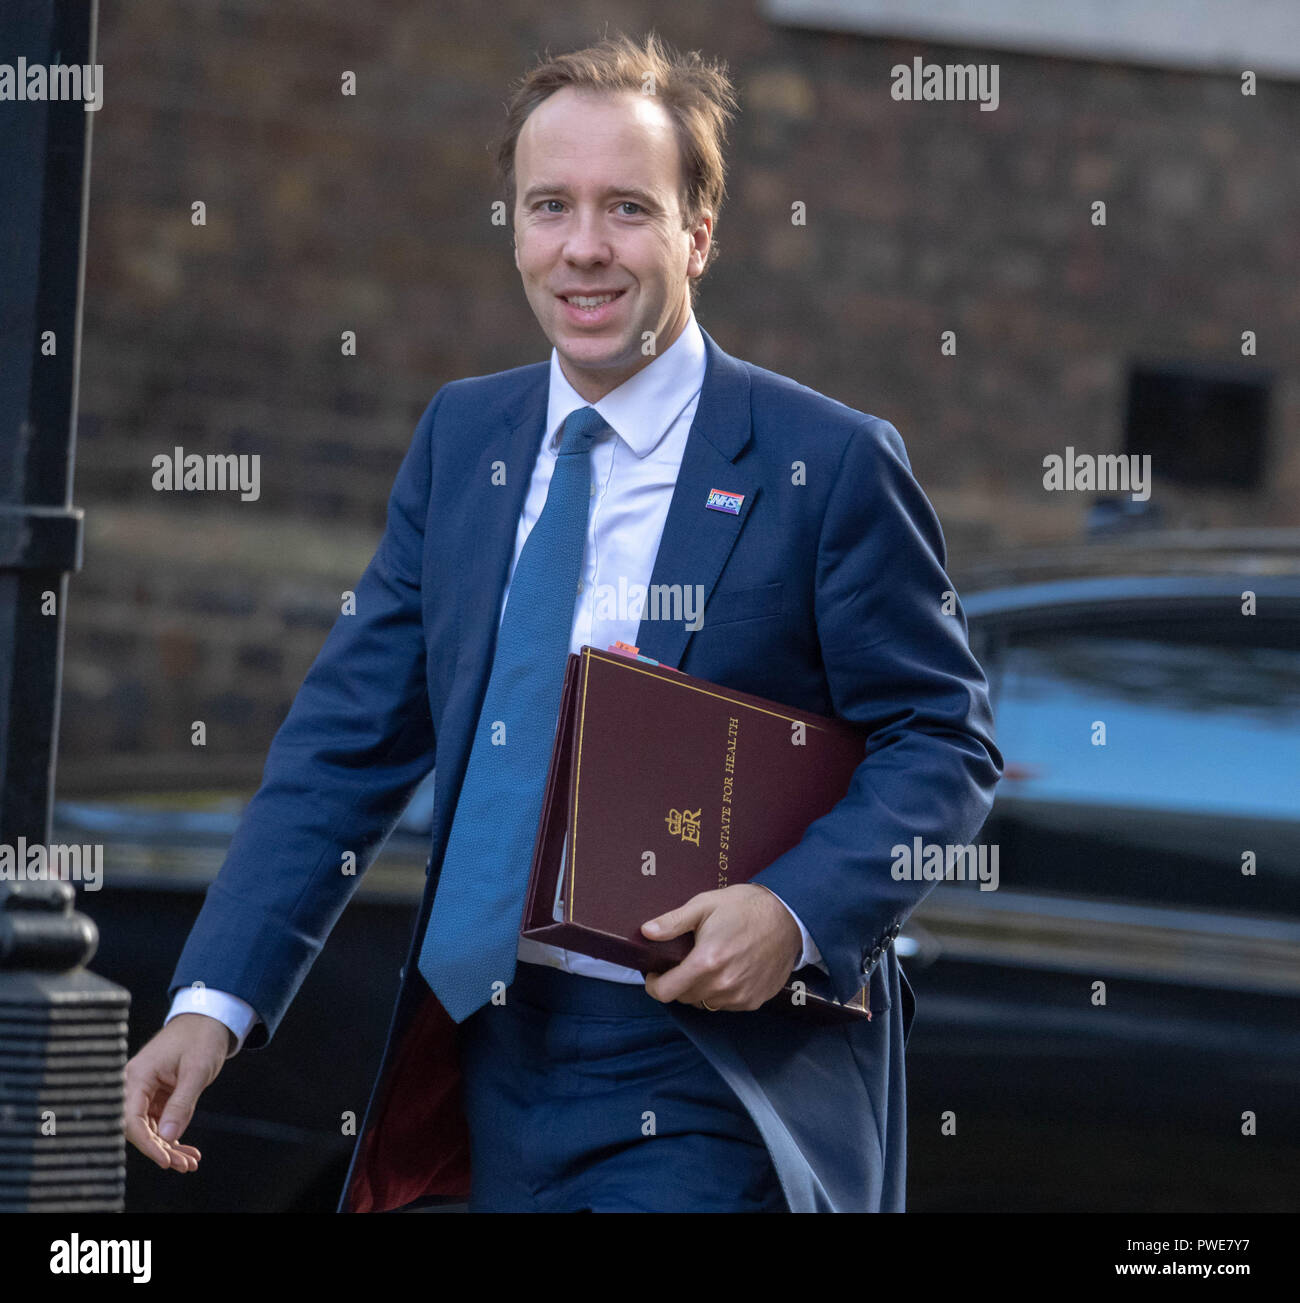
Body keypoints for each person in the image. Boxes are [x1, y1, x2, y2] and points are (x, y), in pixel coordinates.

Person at [123, 30, 1001, 1213]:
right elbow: (344, 744)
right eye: (550, 207)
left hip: (708, 1072)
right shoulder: (463, 440)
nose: (583, 248)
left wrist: (792, 914)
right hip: (485, 1056)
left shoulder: (826, 462)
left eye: (627, 208)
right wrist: (210, 1004)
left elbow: (942, 742)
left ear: (699, 232)